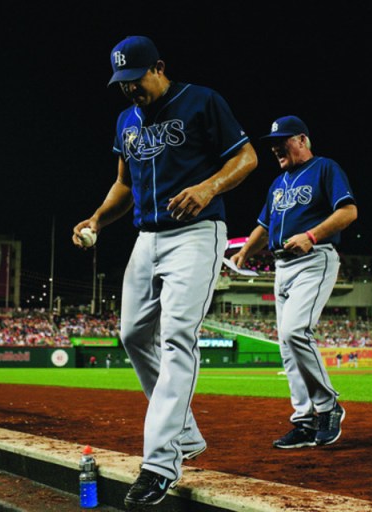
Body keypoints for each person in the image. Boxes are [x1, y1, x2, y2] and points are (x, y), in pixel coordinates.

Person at [73, 35, 257, 508]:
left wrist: (209, 186)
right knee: (133, 334)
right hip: (147, 237)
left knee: (177, 335)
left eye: (134, 80)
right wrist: (96, 218)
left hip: (198, 232)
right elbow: (123, 183)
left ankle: (160, 462)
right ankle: (186, 431)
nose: (128, 90)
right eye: (121, 84)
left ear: (158, 67)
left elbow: (247, 157)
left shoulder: (201, 100)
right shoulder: (125, 120)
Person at [230, 115, 357, 450]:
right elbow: (264, 224)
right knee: (287, 348)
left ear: (302, 140)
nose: (275, 147)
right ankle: (303, 421)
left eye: (282, 140)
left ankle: (328, 406)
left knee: (294, 331)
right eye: (272, 143)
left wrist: (312, 235)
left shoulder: (325, 168)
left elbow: (348, 212)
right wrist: (244, 252)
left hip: (315, 259)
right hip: (282, 266)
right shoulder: (277, 184)